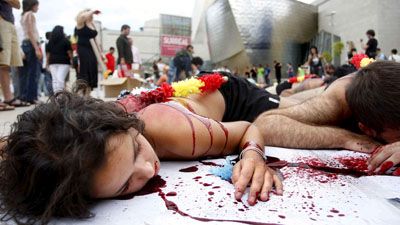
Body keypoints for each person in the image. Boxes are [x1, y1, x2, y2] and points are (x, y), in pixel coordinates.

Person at [0, 72, 295, 224]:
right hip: (187, 98)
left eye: (136, 148)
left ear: (126, 124)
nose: (147, 168)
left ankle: (297, 89)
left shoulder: (180, 133)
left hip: (230, 92)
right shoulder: (73, 139)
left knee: (297, 116)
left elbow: (246, 128)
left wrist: (254, 155)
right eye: (126, 184)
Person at [254, 61, 400, 176]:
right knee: (284, 93)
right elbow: (263, 126)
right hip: (296, 97)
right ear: (367, 130)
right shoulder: (336, 103)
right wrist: (345, 138)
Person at [0, 0, 27, 111]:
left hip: (9, 20)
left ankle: (8, 98)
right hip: (2, 20)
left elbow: (17, 4)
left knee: (5, 64)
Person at [18, 0, 42, 104]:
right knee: (33, 72)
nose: (38, 8)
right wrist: (36, 48)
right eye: (37, 5)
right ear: (33, 5)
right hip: (31, 44)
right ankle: (31, 97)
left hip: (25, 44)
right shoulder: (30, 15)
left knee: (24, 73)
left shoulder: (23, 15)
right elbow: (30, 31)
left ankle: (24, 97)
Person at [75, 9, 100, 89]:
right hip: (83, 49)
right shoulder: (80, 23)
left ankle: (89, 91)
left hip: (92, 49)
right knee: (85, 68)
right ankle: (83, 90)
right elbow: (82, 16)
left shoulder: (92, 24)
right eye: (89, 13)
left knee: (92, 69)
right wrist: (92, 11)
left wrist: (100, 52)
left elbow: (96, 39)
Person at [46, 25, 72, 93]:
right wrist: (71, 60)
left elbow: (48, 54)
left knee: (55, 80)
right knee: (60, 79)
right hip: (64, 62)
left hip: (53, 62)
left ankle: (56, 96)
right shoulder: (66, 41)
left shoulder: (50, 42)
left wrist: (47, 63)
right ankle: (60, 96)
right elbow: (69, 52)